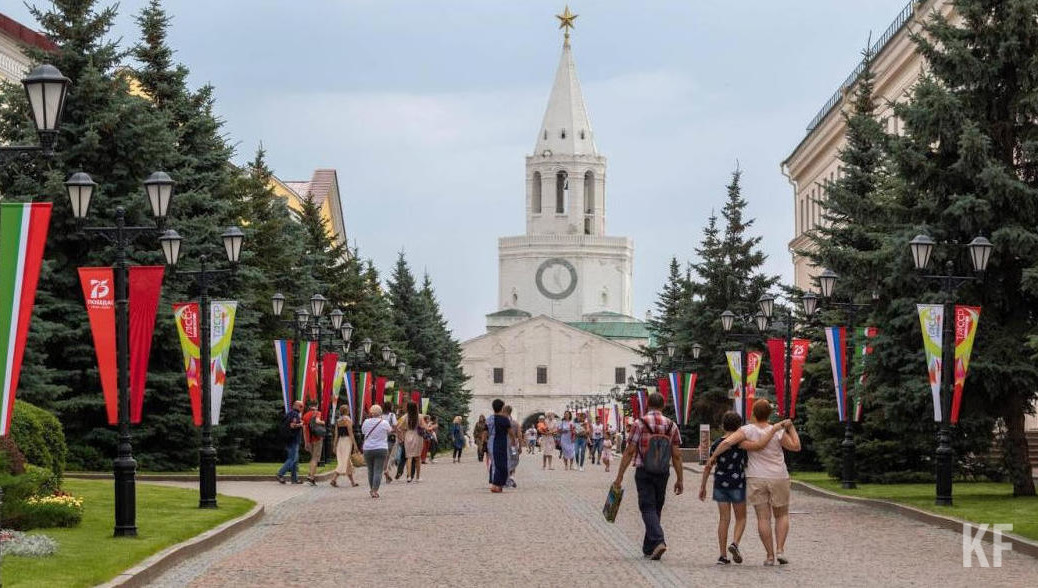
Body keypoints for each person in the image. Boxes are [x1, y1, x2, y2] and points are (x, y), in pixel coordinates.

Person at [707, 399, 800, 566]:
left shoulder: (747, 430)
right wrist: (790, 428)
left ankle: (770, 556)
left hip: (756, 477)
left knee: (763, 518)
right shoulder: (777, 431)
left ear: (753, 413)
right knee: (782, 515)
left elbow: (727, 442)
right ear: (769, 414)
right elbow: (796, 447)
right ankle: (780, 550)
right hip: (779, 475)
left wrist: (713, 457)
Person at [612, 392, 683, 561]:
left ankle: (658, 540)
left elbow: (629, 451)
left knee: (647, 507)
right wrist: (680, 479)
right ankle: (649, 547)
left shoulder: (639, 423)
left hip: (644, 470)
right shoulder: (671, 425)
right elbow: (677, 454)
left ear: (647, 405)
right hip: (663, 472)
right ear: (663, 405)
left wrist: (620, 476)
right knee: (656, 507)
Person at [699, 411, 750, 565]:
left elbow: (708, 466)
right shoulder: (741, 443)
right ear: (739, 426)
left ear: (723, 425)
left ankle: (722, 555)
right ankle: (734, 543)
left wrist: (702, 486)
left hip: (721, 482)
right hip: (737, 482)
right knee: (741, 517)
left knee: (724, 518)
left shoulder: (716, 444)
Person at [359, 405, 392, 498]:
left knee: (370, 470)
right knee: (378, 470)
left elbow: (363, 432)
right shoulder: (384, 423)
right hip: (381, 448)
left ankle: (372, 489)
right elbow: (390, 431)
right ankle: (374, 490)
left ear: (371, 413)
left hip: (368, 448)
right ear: (380, 413)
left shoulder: (366, 422)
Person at [330, 404, 359, 488]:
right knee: (345, 461)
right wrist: (355, 445)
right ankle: (333, 479)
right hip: (347, 441)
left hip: (340, 441)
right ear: (347, 411)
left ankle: (352, 482)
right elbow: (351, 433)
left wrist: (334, 445)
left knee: (346, 461)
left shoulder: (338, 421)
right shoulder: (348, 420)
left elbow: (336, 434)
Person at [276, 400, 304, 484]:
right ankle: (280, 474)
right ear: (297, 406)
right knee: (292, 459)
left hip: (288, 439)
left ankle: (294, 479)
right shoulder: (295, 414)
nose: (302, 408)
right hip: (293, 439)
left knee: (295, 460)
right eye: (301, 406)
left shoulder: (289, 413)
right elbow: (292, 425)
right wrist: (300, 424)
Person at [487, 399, 511, 492]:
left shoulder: (489, 419)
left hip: (491, 442)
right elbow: (510, 431)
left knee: (495, 463)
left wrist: (484, 441)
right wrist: (513, 440)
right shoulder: (504, 419)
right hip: (500, 442)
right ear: (502, 408)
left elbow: (485, 432)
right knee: (500, 464)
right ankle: (495, 485)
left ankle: (498, 485)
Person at [397, 402, 425, 483]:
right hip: (417, 436)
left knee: (409, 457)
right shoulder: (419, 416)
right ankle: (418, 477)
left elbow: (399, 427)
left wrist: (401, 436)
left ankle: (409, 476)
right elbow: (423, 426)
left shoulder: (406, 416)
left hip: (408, 436)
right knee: (417, 457)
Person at [301, 402, 326, 486]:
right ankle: (311, 479)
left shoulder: (305, 415)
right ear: (316, 406)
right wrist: (323, 422)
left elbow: (304, 430)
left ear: (309, 407)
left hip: (309, 439)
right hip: (317, 439)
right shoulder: (318, 413)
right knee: (315, 459)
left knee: (313, 458)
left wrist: (306, 442)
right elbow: (317, 421)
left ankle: (309, 475)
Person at [382, 402, 398, 485]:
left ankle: (386, 473)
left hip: (381, 438)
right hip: (390, 437)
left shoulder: (380, 415)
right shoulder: (392, 415)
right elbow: (395, 426)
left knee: (385, 457)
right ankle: (386, 471)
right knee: (390, 456)